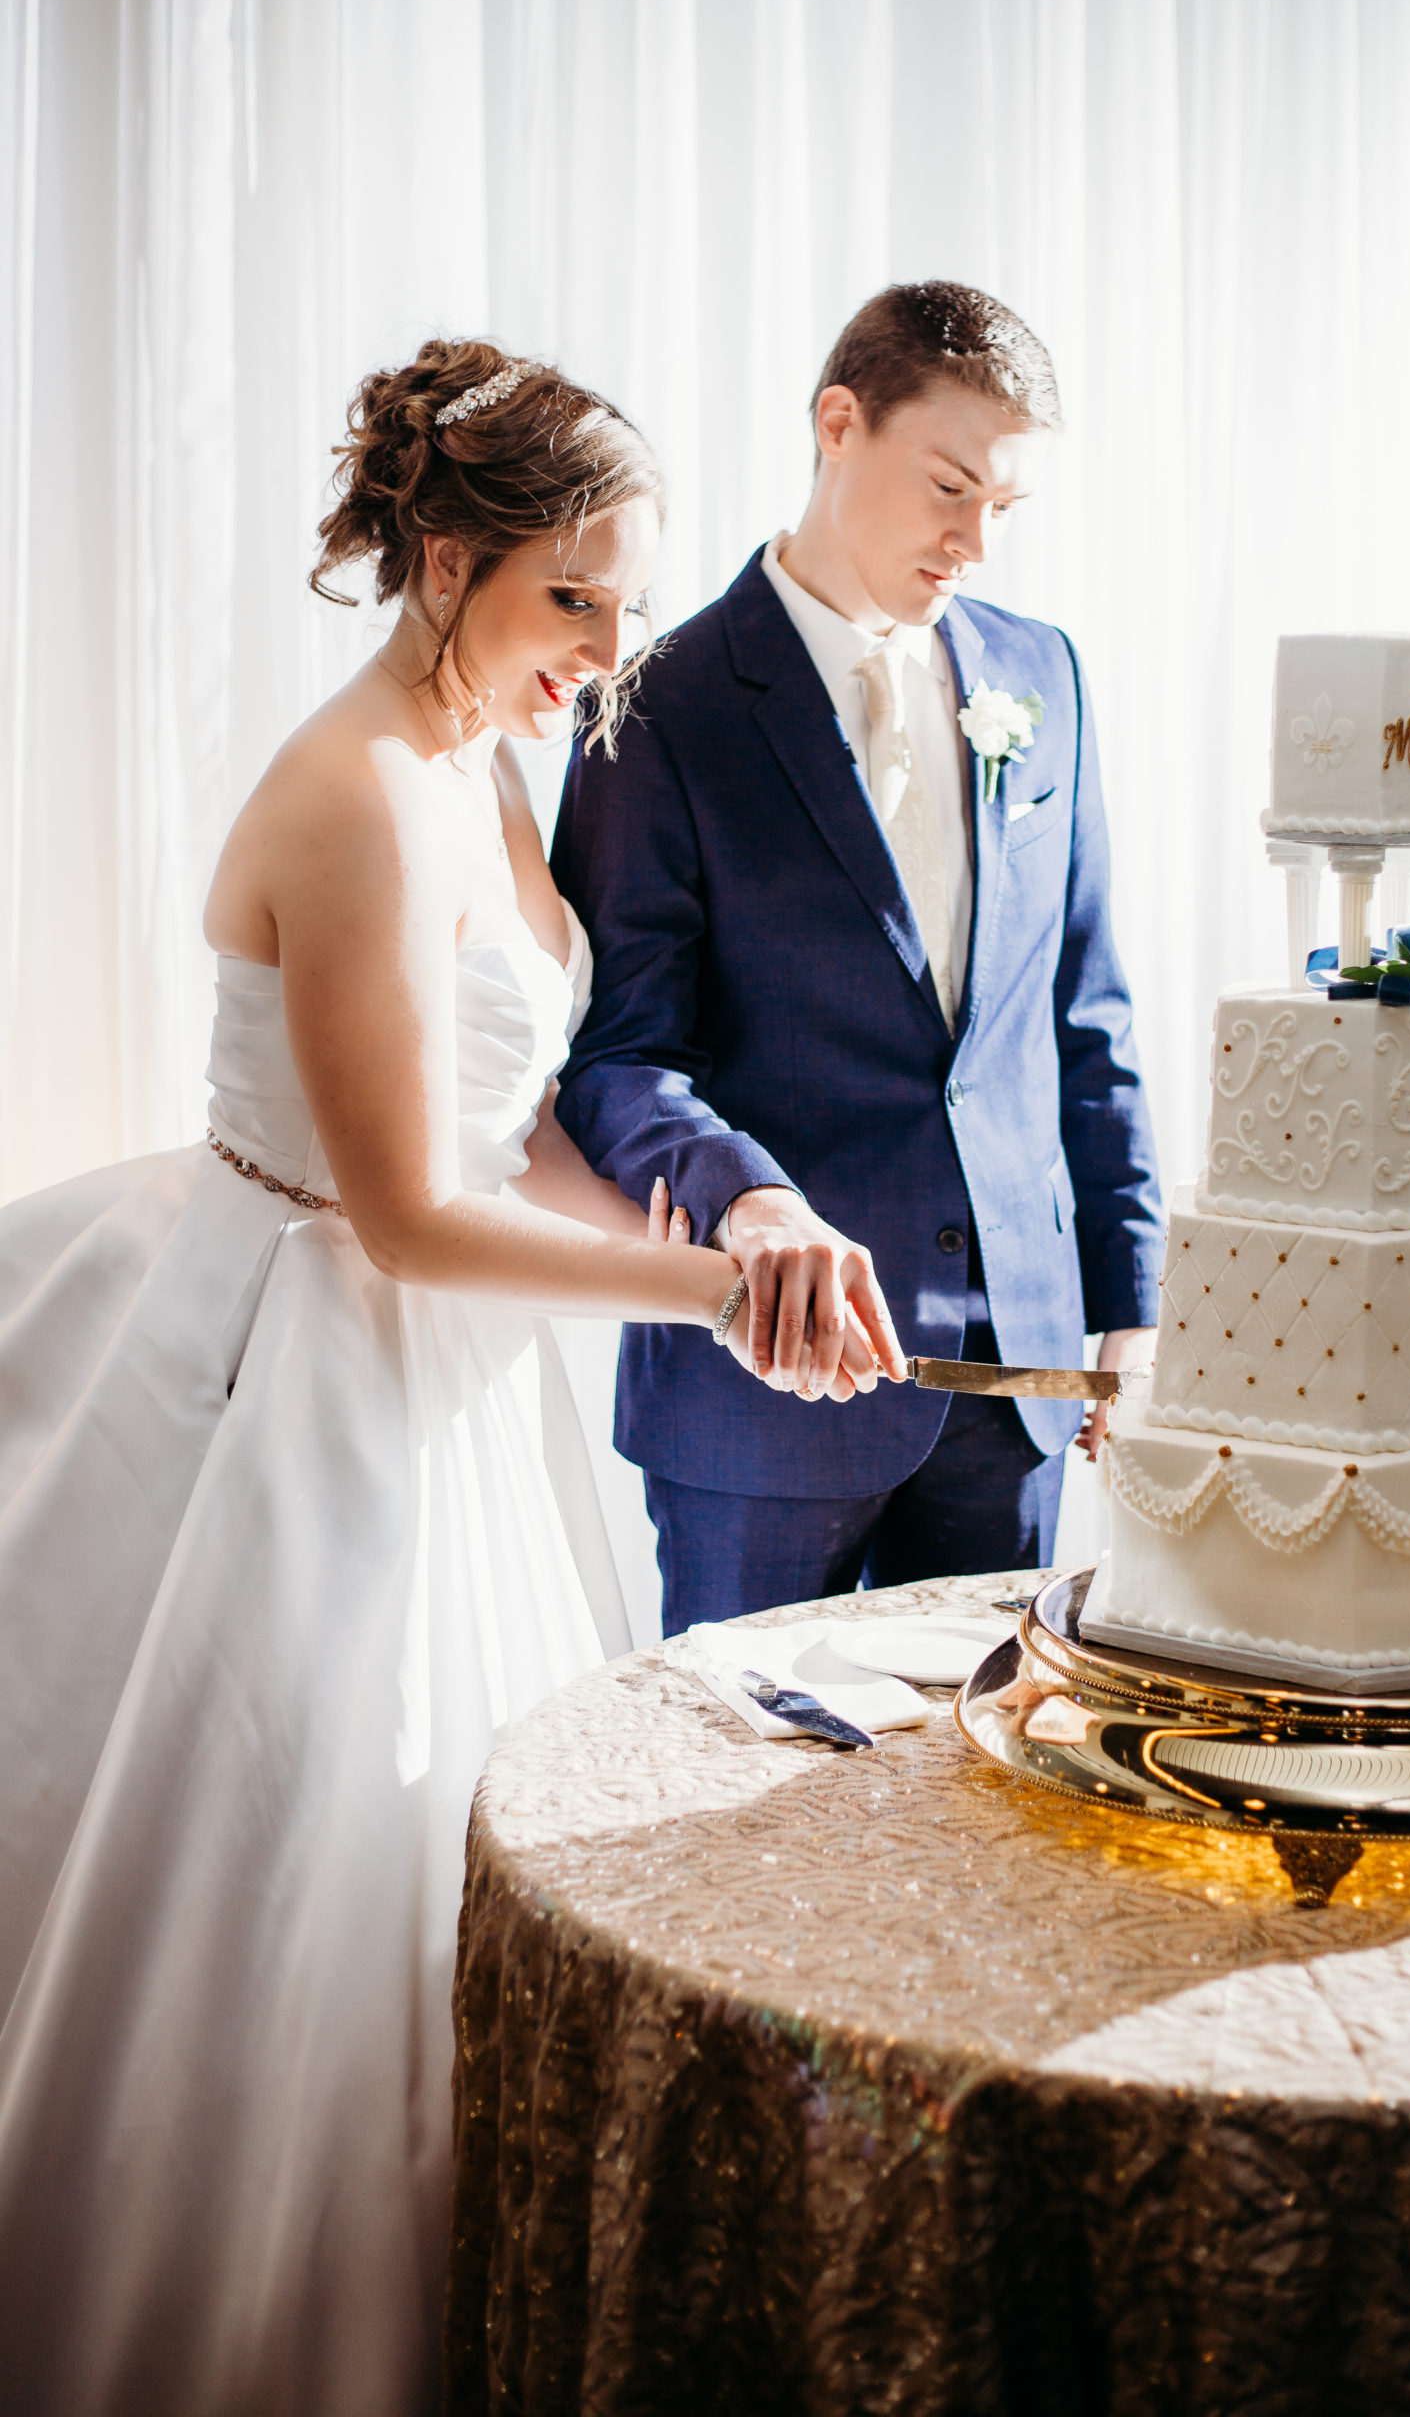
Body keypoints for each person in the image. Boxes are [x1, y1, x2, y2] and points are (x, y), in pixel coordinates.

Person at [0, 338, 895, 2417]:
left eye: (626, 603)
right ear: (440, 553)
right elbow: (397, 1212)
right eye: (565, 594)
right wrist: (695, 1307)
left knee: (457, 1892)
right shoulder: (352, 790)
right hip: (296, 1379)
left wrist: (738, 1228)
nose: (600, 647)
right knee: (301, 1895)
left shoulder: (487, 756)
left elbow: (528, 1123)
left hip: (457, 1387)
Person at [555, 280, 1164, 1636]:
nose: (974, 544)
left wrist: (1135, 1306)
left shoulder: (1044, 674)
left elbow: (1087, 1022)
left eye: (1005, 507)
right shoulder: (656, 707)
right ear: (839, 422)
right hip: (758, 1390)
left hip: (1018, 1383)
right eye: (951, 488)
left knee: (992, 1800)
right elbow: (617, 1061)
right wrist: (751, 1202)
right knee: (733, 1809)